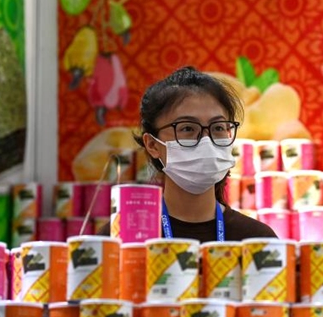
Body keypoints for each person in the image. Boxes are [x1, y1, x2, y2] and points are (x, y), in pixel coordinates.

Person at [98, 66, 277, 242]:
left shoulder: (257, 240)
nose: (206, 141)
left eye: (218, 128)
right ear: (152, 144)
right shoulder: (120, 239)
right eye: (187, 128)